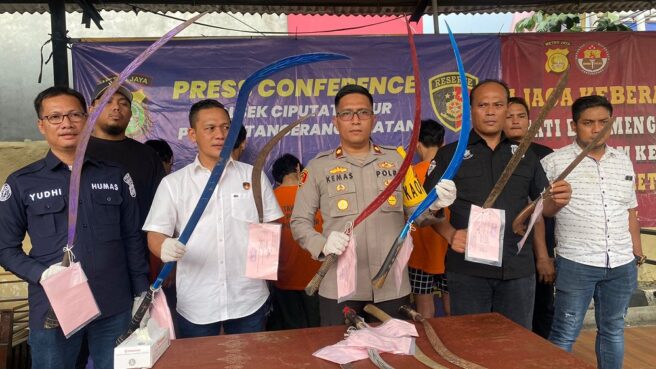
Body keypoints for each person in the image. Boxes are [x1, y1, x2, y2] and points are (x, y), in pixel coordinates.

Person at [0, 86, 149, 369]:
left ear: (88, 118)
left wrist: (141, 292)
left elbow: (132, 238)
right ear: (41, 125)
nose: (66, 124)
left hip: (113, 302)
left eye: (74, 115)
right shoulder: (22, 182)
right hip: (54, 306)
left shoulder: (115, 175)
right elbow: (4, 248)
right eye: (55, 117)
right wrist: (42, 274)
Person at [290, 84, 456, 326]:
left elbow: (418, 215)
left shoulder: (398, 160)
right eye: (347, 114)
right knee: (343, 357)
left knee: (392, 356)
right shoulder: (317, 167)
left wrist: (436, 205)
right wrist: (322, 244)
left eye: (363, 113)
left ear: (374, 119)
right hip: (339, 288)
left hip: (391, 287)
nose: (355, 120)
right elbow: (299, 222)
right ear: (336, 121)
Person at [424, 80, 571, 329]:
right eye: (483, 105)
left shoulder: (526, 155)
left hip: (518, 269)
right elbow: (425, 213)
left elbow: (542, 208)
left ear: (506, 108)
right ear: (471, 110)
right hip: (468, 271)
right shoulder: (450, 155)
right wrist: (450, 234)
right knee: (470, 344)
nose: (491, 111)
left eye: (498, 105)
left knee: (515, 345)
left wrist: (557, 202)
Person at [142, 99, 282, 338]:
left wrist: (263, 265)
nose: (220, 134)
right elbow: (155, 233)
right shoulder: (174, 184)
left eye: (226, 127)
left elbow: (272, 223)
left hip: (248, 297)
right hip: (197, 300)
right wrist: (164, 246)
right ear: (192, 135)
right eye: (210, 128)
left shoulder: (254, 177)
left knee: (249, 362)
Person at [542, 95, 643, 369]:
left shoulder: (622, 161)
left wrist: (637, 252)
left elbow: (629, 210)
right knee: (565, 331)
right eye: (588, 123)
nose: (596, 129)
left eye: (603, 122)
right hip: (577, 262)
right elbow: (540, 214)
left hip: (621, 262)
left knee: (612, 330)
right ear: (573, 125)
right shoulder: (554, 163)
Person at [504, 96, 556, 338]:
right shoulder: (493, 153)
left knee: (542, 310)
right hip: (507, 248)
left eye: (521, 116)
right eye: (509, 116)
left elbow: (544, 205)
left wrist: (544, 255)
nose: (515, 121)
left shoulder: (545, 155)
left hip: (541, 246)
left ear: (530, 121)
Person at [267, 153, 322, 330]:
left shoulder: (270, 200)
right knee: (320, 331)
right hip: (317, 278)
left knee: (292, 334)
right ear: (298, 168)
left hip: (284, 280)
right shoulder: (316, 196)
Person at [407, 119, 452, 318]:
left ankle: (427, 346)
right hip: (450, 248)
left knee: (424, 310)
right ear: (443, 143)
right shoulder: (453, 171)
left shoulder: (410, 175)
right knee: (454, 307)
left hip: (419, 252)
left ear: (417, 144)